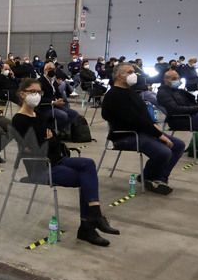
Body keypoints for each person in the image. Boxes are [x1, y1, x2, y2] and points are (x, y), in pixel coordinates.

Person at [11, 78, 119, 246]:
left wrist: (49, 140)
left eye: (39, 92)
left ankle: (94, 215)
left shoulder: (38, 115)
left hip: (57, 159)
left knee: (88, 163)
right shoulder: (19, 120)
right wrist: (49, 140)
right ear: (22, 94)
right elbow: (36, 149)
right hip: (41, 167)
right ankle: (87, 225)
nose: (36, 95)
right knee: (84, 178)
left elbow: (55, 139)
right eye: (33, 92)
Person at [102, 63, 185, 194]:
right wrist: (159, 135)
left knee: (178, 145)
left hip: (142, 132)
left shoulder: (131, 92)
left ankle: (158, 178)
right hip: (126, 136)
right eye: (129, 72)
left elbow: (144, 115)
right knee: (164, 152)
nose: (134, 75)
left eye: (134, 72)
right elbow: (136, 120)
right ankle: (151, 178)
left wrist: (154, 125)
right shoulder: (114, 95)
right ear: (119, 76)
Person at [39, 62, 79, 133]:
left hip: (57, 106)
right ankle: (51, 129)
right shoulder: (40, 82)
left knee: (74, 114)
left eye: (53, 69)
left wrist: (60, 99)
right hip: (47, 107)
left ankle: (58, 129)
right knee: (63, 115)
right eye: (50, 69)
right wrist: (53, 102)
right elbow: (39, 98)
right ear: (45, 71)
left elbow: (58, 93)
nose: (52, 70)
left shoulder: (54, 82)